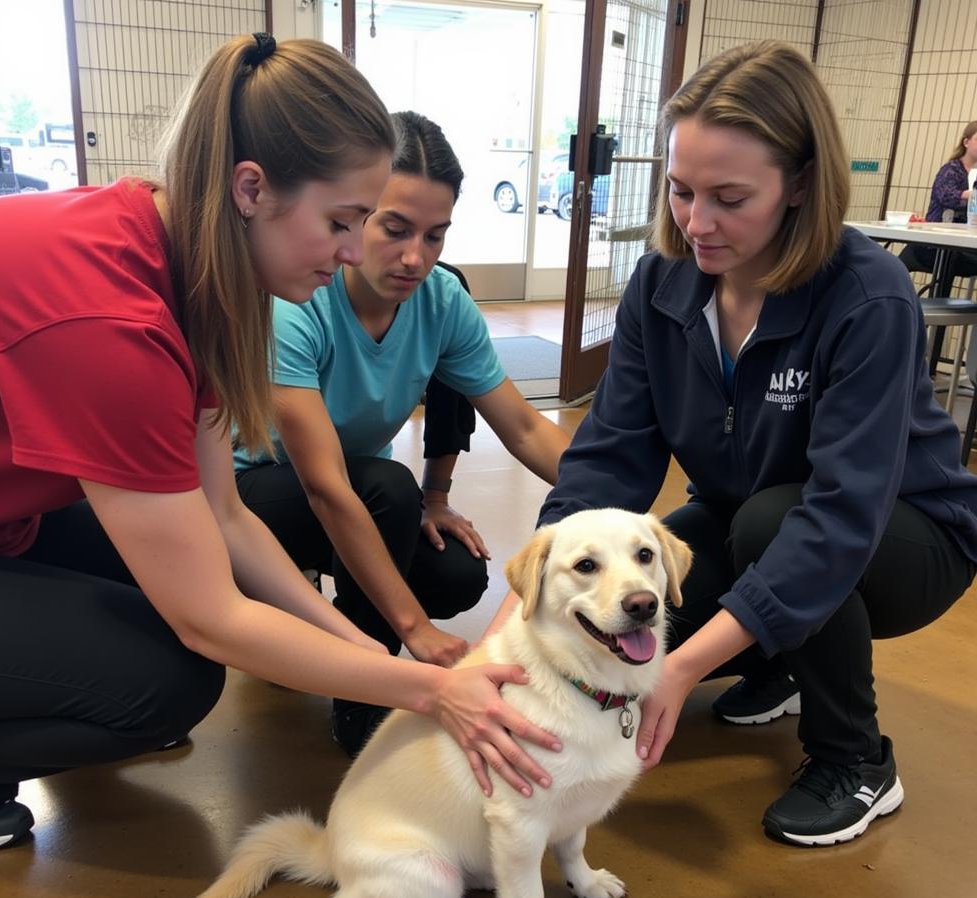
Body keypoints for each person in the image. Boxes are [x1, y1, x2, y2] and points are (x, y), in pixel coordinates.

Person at [0, 36, 562, 854]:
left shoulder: (189, 266)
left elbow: (228, 519)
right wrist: (425, 687)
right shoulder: (114, 324)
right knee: (167, 682)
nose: (357, 252)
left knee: (169, 613)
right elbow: (211, 620)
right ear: (252, 189)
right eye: (345, 221)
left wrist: (367, 648)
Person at [536, 40, 977, 847]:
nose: (696, 222)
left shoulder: (866, 299)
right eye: (680, 190)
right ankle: (779, 662)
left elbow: (840, 519)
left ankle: (857, 760)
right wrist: (533, 586)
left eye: (729, 198)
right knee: (651, 593)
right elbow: (610, 456)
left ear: (801, 184)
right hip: (749, 516)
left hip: (907, 538)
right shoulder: (661, 287)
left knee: (765, 536)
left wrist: (684, 667)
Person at [233, 111, 570, 756]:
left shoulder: (441, 299)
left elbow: (525, 427)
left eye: (435, 235)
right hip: (259, 494)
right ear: (357, 214)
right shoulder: (297, 302)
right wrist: (412, 631)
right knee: (387, 489)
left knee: (456, 575)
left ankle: (330, 603)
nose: (415, 257)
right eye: (394, 228)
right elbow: (326, 487)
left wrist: (613, 495)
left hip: (360, 490)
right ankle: (363, 691)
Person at [900, 119, 977, 280]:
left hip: (962, 243)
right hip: (933, 245)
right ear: (966, 142)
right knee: (953, 257)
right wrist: (969, 195)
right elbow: (946, 197)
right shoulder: (951, 170)